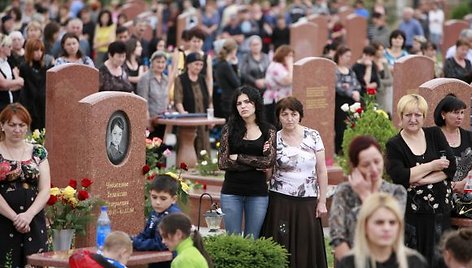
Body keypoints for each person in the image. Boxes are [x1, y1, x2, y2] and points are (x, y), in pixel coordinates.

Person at [386, 94, 456, 267]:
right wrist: (433, 165)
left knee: (441, 260)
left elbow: (451, 167)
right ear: (400, 116)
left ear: (424, 117)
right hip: (414, 217)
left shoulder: (434, 134)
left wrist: (421, 179)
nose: (413, 119)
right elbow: (401, 176)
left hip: (441, 212)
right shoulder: (395, 144)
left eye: (418, 115)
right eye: (408, 115)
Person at [262, 97, 328, 268]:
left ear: (300, 116)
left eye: (294, 114)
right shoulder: (273, 139)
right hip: (280, 201)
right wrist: (266, 158)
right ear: (278, 117)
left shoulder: (313, 136)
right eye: (284, 114)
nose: (289, 118)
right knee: (281, 241)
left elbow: (321, 170)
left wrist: (322, 201)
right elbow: (268, 176)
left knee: (305, 244)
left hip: (307, 201)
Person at [330, 135, 407, 262]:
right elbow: (337, 237)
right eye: (366, 165)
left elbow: (391, 233)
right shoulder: (344, 191)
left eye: (377, 161)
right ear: (355, 167)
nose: (374, 169)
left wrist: (365, 195)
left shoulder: (397, 192)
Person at [218, 86, 276, 239]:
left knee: (252, 239)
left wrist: (238, 158)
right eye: (239, 103)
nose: (243, 106)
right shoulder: (228, 129)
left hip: (257, 193)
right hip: (232, 192)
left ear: (256, 104)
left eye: (247, 102)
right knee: (233, 239)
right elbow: (223, 163)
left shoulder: (268, 130)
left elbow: (269, 161)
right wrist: (256, 163)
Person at [0, 103, 51, 267]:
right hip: (3, 221)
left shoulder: (38, 151)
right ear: (2, 126)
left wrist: (28, 215)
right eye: (12, 125)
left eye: (22, 125)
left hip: (33, 222)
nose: (17, 129)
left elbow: (44, 190)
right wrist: (15, 218)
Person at [338, 193, 428, 268]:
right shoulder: (349, 264)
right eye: (379, 222)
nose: (386, 228)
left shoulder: (414, 263)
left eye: (392, 223)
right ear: (365, 226)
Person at [433, 94, 472, 216]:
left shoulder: (469, 136)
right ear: (443, 114)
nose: (459, 117)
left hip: (467, 190)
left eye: (462, 113)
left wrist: (466, 181)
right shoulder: (432, 136)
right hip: (439, 191)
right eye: (455, 113)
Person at [132, 174, 181, 268]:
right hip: (157, 260)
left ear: (174, 199)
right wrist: (133, 239)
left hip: (170, 262)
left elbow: (160, 244)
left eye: (163, 198)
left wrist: (136, 243)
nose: (157, 202)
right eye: (154, 197)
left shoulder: (173, 217)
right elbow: (147, 233)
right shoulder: (155, 212)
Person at [174, 52, 211, 155]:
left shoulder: (202, 79)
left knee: (203, 148)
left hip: (203, 120)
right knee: (187, 148)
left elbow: (208, 99)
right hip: (188, 120)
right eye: (196, 64)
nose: (198, 67)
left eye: (201, 64)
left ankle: (204, 168)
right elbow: (178, 100)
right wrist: (183, 113)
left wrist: (211, 117)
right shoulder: (181, 79)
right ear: (188, 65)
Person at [19, 39, 54, 131]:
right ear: (30, 51)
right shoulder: (24, 67)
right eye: (36, 50)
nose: (39, 53)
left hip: (43, 105)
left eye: (41, 50)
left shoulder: (45, 67)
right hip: (30, 105)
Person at [334, 46, 361, 154]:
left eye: (350, 56)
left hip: (351, 102)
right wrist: (350, 91)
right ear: (340, 56)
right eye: (347, 56)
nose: (349, 58)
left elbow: (357, 84)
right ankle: (339, 149)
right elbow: (338, 86)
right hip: (340, 102)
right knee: (340, 127)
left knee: (350, 125)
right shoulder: (335, 70)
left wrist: (355, 91)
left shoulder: (350, 71)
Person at [137, 51, 169, 139]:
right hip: (150, 120)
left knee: (161, 148)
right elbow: (143, 101)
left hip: (163, 120)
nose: (160, 65)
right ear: (152, 62)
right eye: (158, 62)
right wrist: (147, 121)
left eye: (163, 62)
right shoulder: (145, 78)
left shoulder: (166, 79)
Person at [264, 45, 294, 125]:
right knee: (276, 126)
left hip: (283, 100)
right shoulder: (276, 66)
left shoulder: (284, 66)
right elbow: (288, 80)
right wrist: (290, 65)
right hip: (274, 101)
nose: (290, 58)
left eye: (291, 56)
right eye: (288, 56)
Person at [215, 38, 241, 119]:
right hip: (229, 100)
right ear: (233, 51)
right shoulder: (225, 65)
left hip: (226, 99)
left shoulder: (221, 64)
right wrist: (235, 65)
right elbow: (237, 83)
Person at [371, 41, 393, 115]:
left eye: (382, 49)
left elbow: (391, 80)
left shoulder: (384, 63)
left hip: (383, 95)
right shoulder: (370, 64)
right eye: (379, 50)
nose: (382, 52)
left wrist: (379, 82)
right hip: (372, 95)